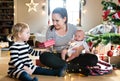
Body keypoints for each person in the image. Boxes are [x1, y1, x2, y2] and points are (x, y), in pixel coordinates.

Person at [40, 7, 98, 76]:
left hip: (73, 55)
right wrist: (48, 47)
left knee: (93, 59)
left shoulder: (72, 28)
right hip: (59, 57)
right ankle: (77, 68)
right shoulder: (51, 30)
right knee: (44, 57)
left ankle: (65, 67)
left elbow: (83, 41)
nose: (54, 23)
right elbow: (49, 48)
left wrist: (79, 50)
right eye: (53, 20)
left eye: (57, 20)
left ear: (64, 19)